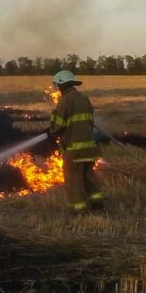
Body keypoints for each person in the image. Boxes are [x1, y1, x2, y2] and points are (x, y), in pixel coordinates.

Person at [49, 70, 103, 212]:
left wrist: (52, 126)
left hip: (74, 149)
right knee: (88, 176)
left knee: (73, 180)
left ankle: (79, 209)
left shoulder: (65, 100)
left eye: (57, 85)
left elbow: (58, 126)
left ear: (61, 85)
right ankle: (97, 203)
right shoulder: (84, 98)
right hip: (89, 148)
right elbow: (90, 122)